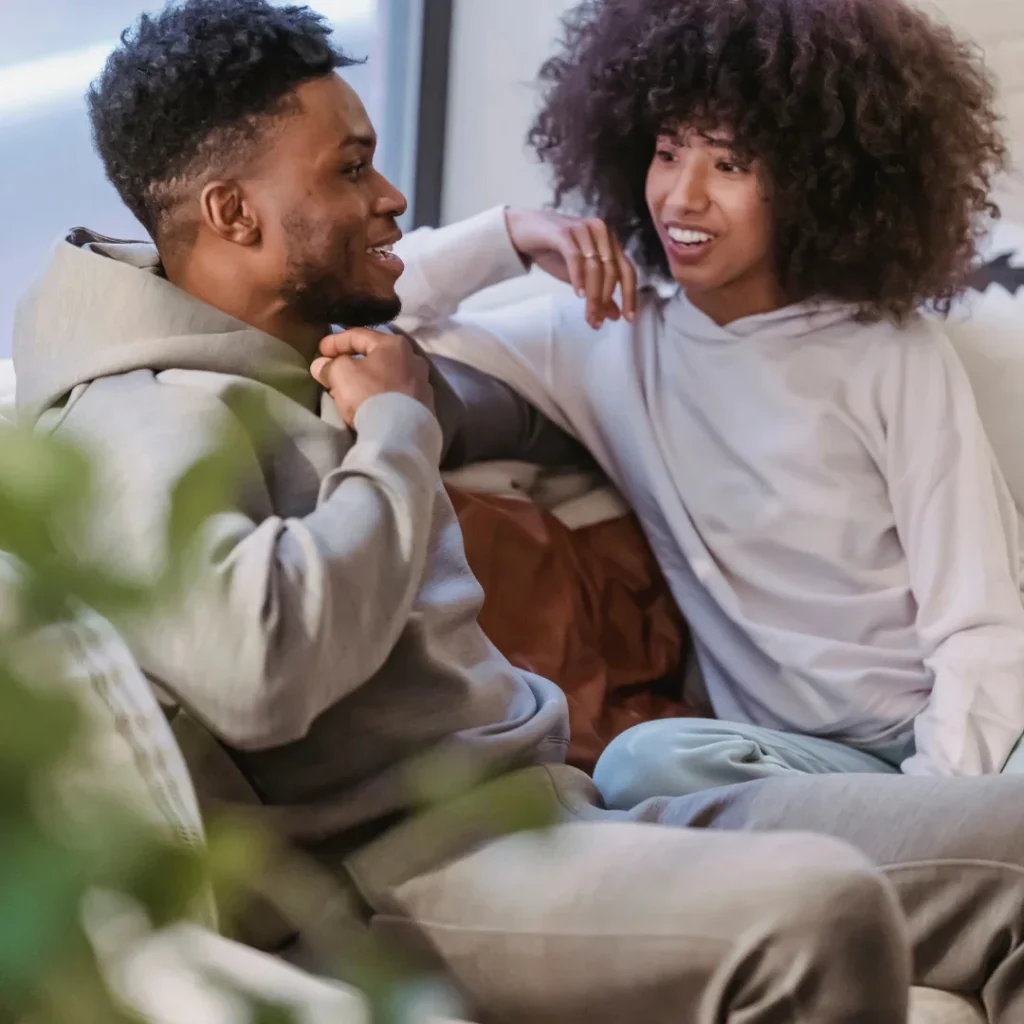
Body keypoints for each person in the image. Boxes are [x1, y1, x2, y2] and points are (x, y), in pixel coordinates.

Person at [14, 1, 1024, 1020]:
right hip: (420, 868)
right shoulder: (137, 422)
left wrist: (485, 270)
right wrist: (398, 435)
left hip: (554, 809)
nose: (392, 193)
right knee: (818, 910)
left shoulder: (294, 353)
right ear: (235, 214)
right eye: (351, 168)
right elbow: (256, 671)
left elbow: (450, 376)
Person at [404, 0, 1024, 802]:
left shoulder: (889, 352)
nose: (682, 197)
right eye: (668, 152)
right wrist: (512, 233)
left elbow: (978, 624)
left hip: (970, 733)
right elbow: (384, 307)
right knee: (640, 766)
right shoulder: (604, 332)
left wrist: (939, 800)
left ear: (813, 181)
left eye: (730, 164)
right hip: (792, 761)